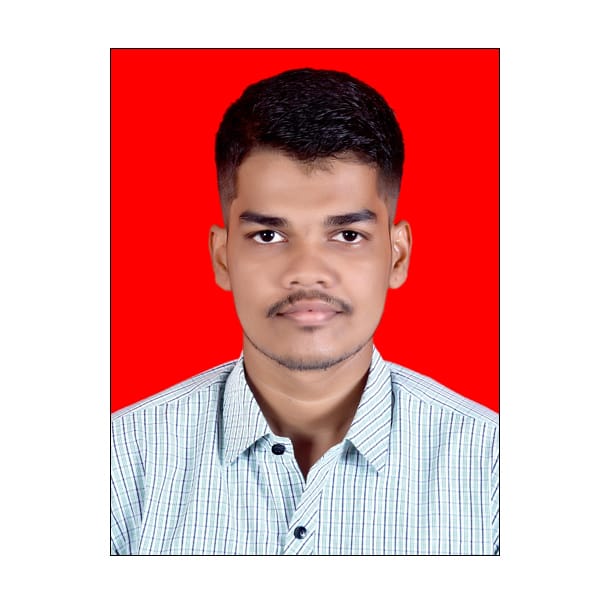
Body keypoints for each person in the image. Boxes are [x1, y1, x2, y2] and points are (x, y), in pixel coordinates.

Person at [111, 67, 499, 555]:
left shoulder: (492, 470)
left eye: (348, 235)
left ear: (397, 255)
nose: (308, 272)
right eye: (269, 235)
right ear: (223, 258)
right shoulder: (122, 463)